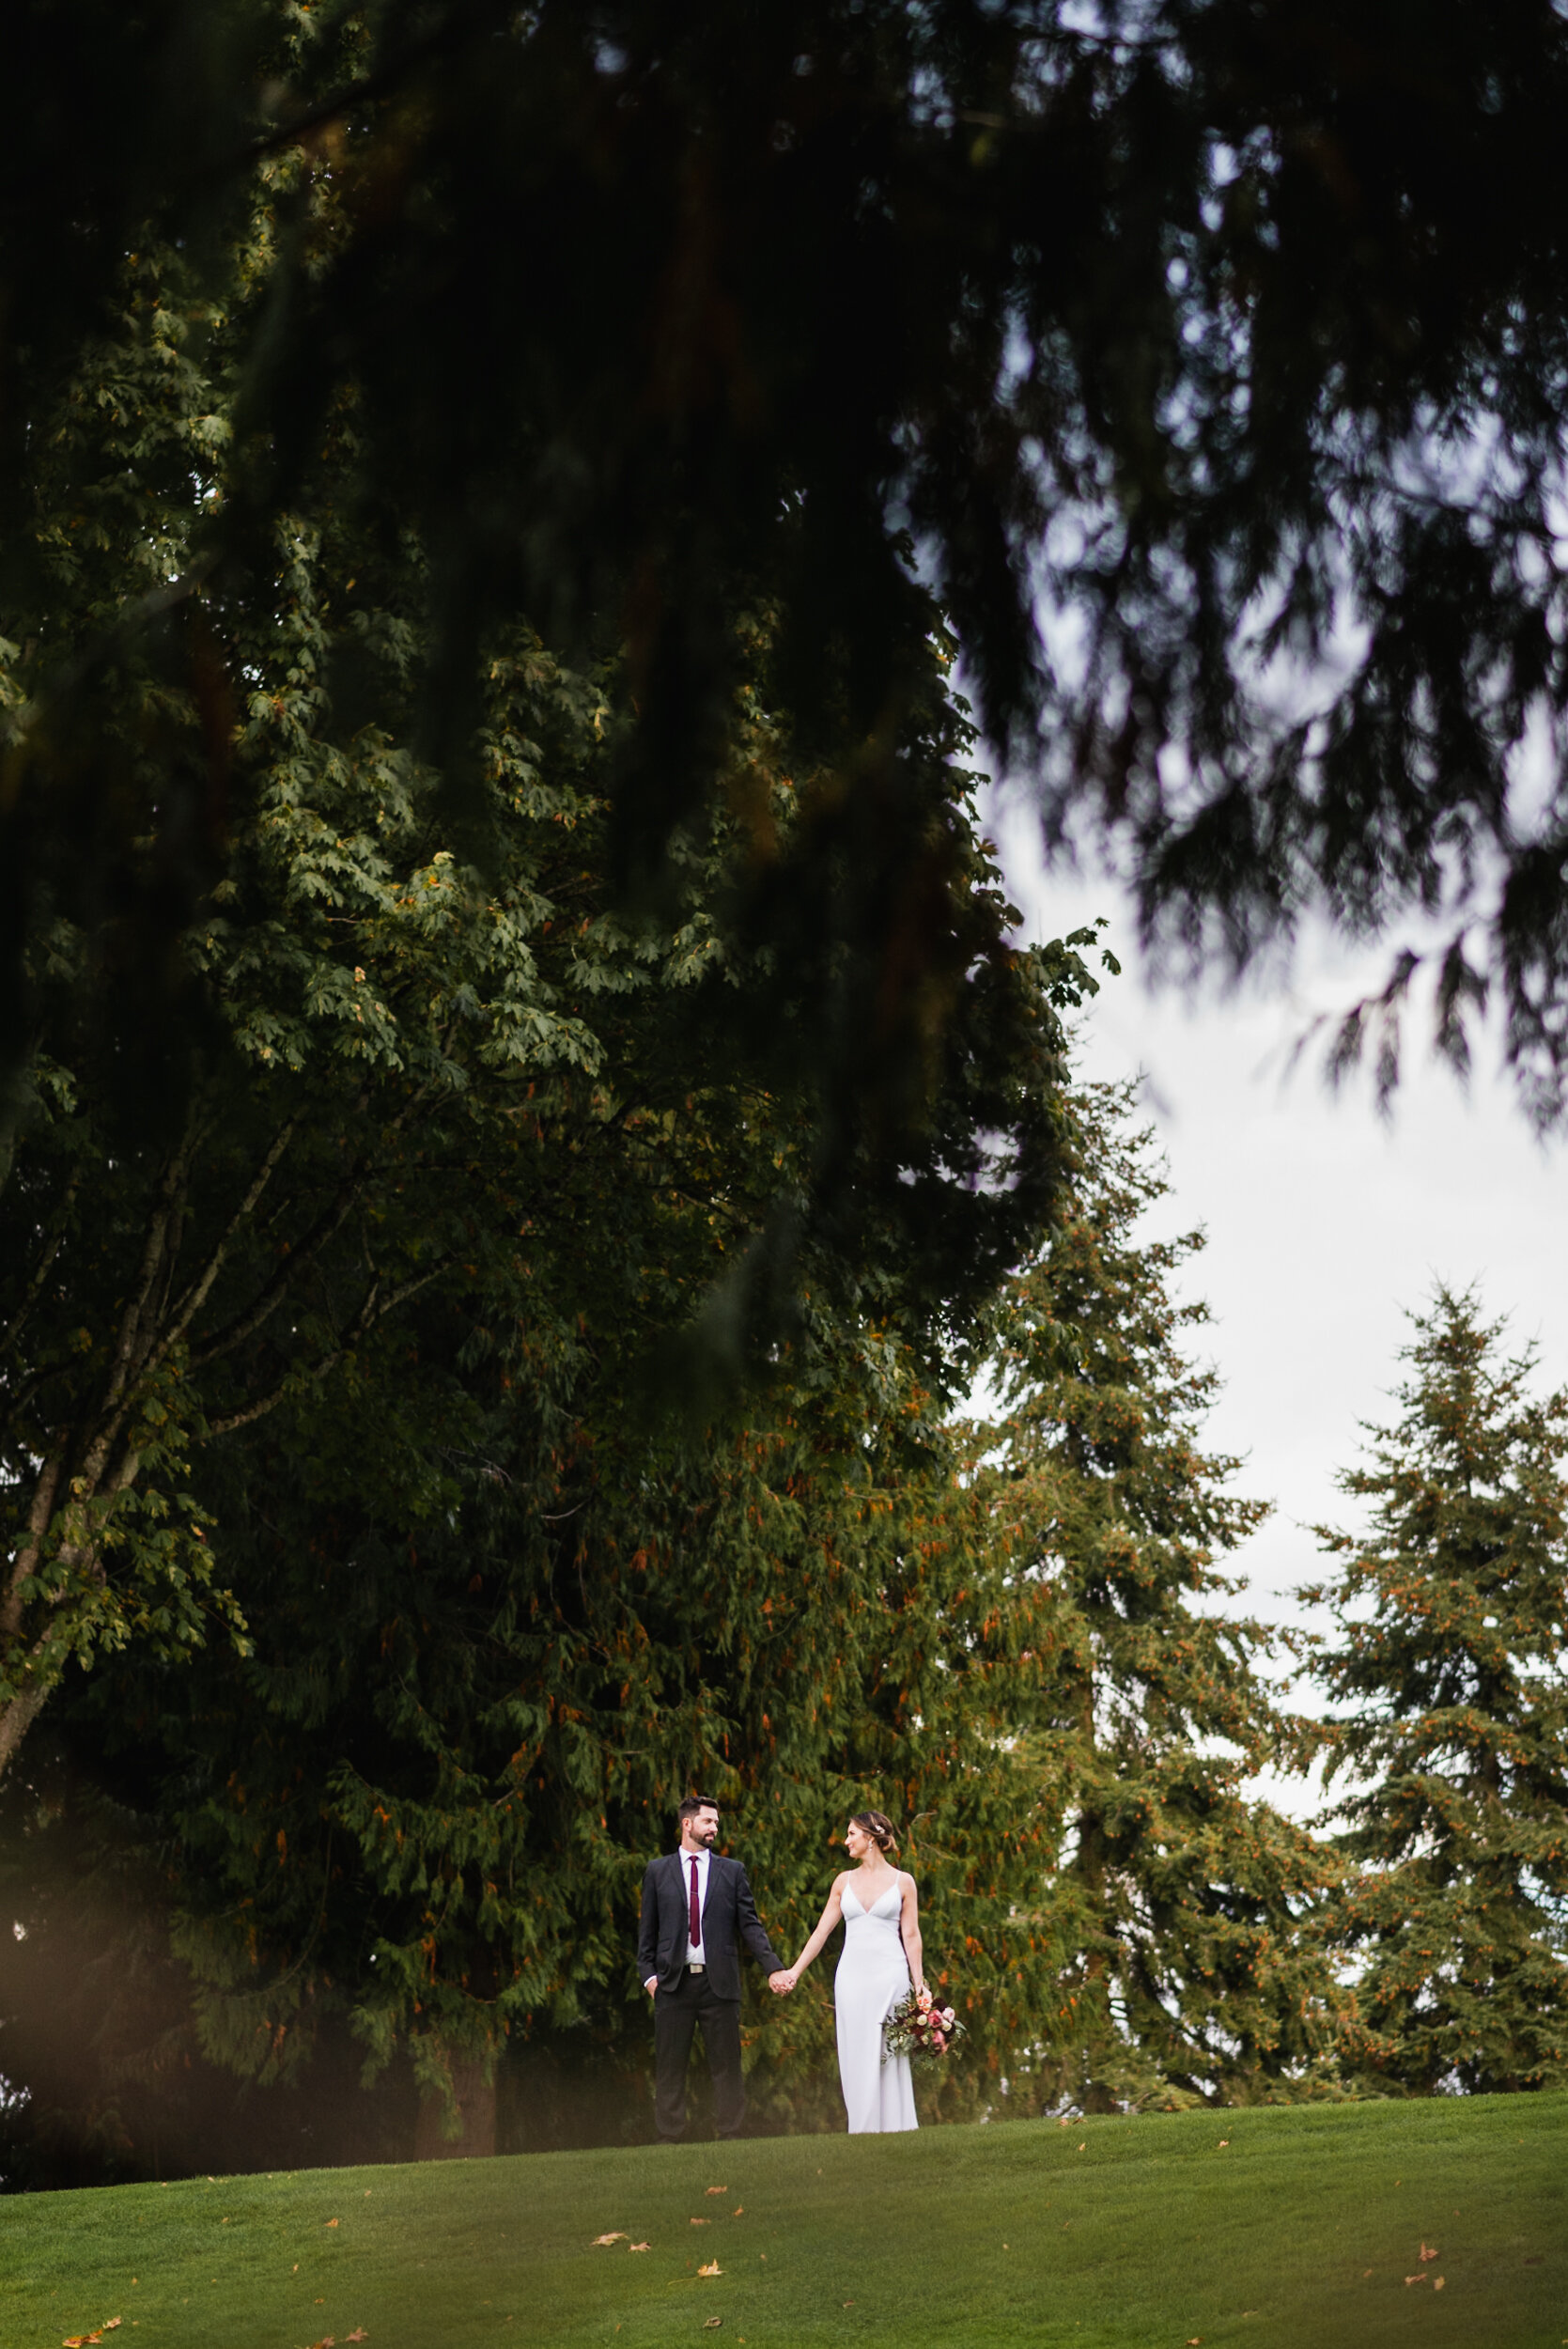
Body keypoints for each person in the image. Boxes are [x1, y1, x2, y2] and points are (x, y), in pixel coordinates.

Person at [638, 1794, 791, 2141]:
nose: (715, 1828)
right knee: (670, 2067)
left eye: (717, 1823)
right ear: (687, 1823)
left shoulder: (731, 1872)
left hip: (718, 1983)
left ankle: (730, 2133)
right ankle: (669, 2137)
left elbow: (750, 1926)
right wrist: (649, 1977)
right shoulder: (657, 1871)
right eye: (708, 1821)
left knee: (726, 2067)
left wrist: (773, 1968)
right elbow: (646, 1931)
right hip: (672, 1985)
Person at [779, 1809, 923, 2134]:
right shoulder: (843, 1882)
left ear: (870, 1839)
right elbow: (821, 1932)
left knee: (889, 2049)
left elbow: (911, 1936)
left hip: (891, 1975)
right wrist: (795, 1971)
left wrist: (920, 1985)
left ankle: (897, 2128)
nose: (846, 1841)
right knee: (857, 2050)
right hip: (852, 1978)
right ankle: (862, 2128)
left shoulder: (904, 1882)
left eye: (851, 1834)